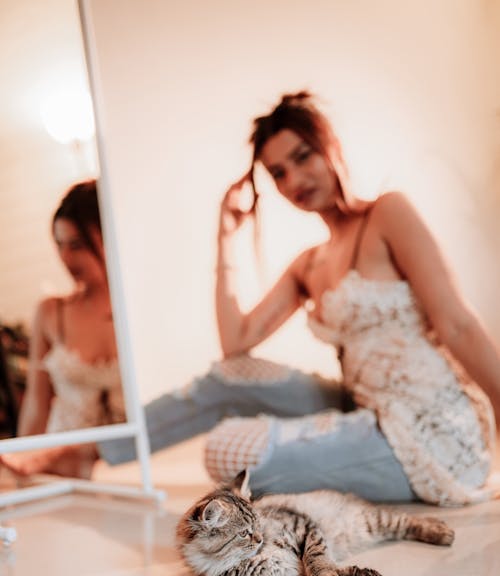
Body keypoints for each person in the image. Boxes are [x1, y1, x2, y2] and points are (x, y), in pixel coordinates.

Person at [96, 91, 500, 507]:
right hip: (362, 406)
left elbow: (457, 324)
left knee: (226, 452)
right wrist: (225, 240)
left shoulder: (387, 213)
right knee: (227, 377)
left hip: (428, 423)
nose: (293, 181)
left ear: (331, 148)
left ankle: (343, 459)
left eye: (303, 157)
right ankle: (95, 449)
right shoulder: (308, 265)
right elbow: (236, 344)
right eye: (278, 173)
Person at [0, 180, 125, 478]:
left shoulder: (135, 311)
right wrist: (24, 466)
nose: (66, 258)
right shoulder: (51, 312)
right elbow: (36, 403)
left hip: (121, 468)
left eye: (77, 245)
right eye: (60, 245)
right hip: (59, 468)